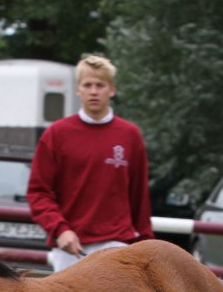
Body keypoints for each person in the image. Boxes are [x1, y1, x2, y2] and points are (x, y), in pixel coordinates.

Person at [26, 54, 154, 272]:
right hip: (71, 246)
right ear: (78, 90)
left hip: (117, 243)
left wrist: (145, 244)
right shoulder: (56, 134)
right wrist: (60, 229)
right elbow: (38, 192)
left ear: (111, 90)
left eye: (100, 85)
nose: (94, 91)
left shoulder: (130, 135)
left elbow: (139, 198)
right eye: (88, 85)